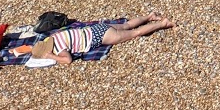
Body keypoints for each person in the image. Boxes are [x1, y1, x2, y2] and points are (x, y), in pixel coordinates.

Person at [20, 14, 175, 66]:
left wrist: (51, 57)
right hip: (95, 28)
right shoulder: (53, 37)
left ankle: (163, 23)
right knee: (126, 25)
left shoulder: (59, 48)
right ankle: (150, 16)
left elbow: (67, 60)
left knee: (135, 33)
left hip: (100, 37)